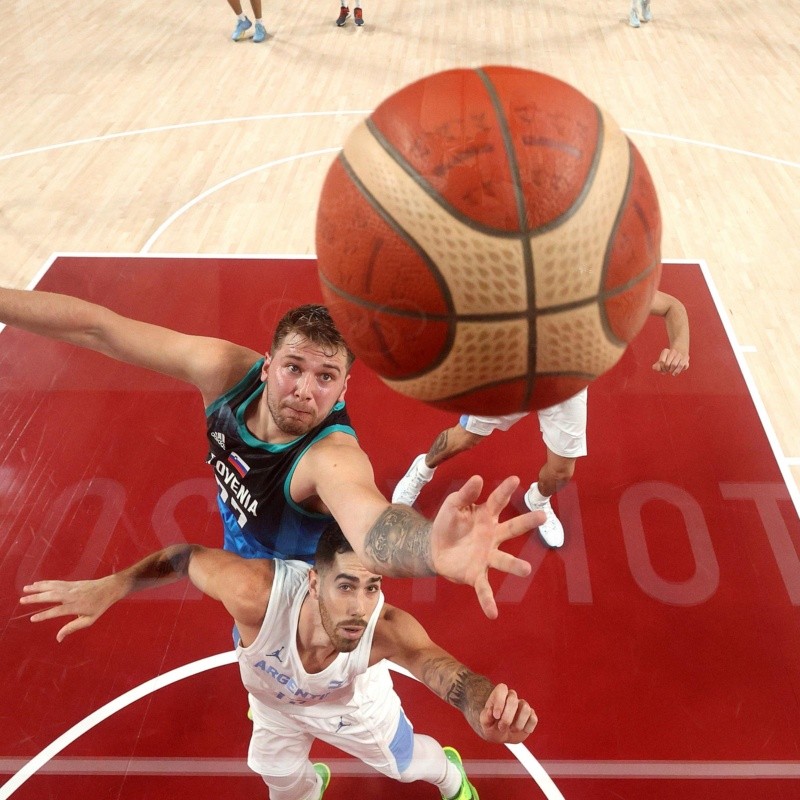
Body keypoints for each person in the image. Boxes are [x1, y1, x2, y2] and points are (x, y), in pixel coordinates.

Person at [0, 288, 541, 618]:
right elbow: (99, 327)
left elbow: (373, 526)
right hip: (247, 548)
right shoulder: (221, 370)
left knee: (352, 698)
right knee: (259, 664)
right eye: (294, 368)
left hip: (312, 582)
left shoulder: (331, 455)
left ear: (344, 391)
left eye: (326, 377)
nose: (306, 389)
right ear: (266, 365)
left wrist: (429, 547)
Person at [20, 523, 538, 800]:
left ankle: (450, 775)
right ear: (313, 582)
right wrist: (115, 585)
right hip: (276, 704)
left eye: (372, 587)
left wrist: (476, 704)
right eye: (346, 586)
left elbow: (437, 665)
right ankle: (311, 787)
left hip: (352, 708)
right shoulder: (257, 595)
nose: (360, 606)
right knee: (275, 775)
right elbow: (183, 557)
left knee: (404, 768)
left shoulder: (382, 630)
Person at [393, 290, 690, 549]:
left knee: (561, 473)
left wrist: (680, 346)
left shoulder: (609, 286)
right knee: (463, 438)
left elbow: (672, 306)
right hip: (514, 377)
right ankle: (422, 470)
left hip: (567, 387)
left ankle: (537, 500)